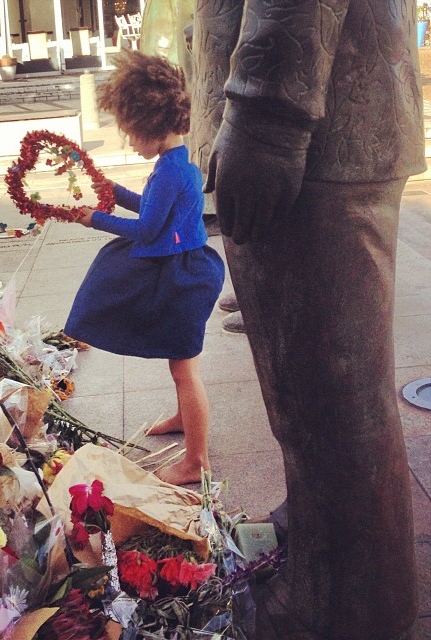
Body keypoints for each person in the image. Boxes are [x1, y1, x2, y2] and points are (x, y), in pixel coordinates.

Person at [190, 1, 425, 638]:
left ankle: (346, 605)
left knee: (331, 405)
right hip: (331, 115)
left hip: (313, 130)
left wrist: (268, 113)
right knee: (322, 399)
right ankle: (326, 542)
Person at [65, 50, 225, 486]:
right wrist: (109, 188)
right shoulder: (174, 163)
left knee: (184, 369)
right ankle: (183, 417)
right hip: (182, 269)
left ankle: (197, 461)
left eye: (133, 135)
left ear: (154, 127)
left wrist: (93, 217)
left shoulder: (173, 172)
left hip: (181, 277)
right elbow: (151, 208)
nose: (131, 142)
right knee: (180, 364)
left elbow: (149, 229)